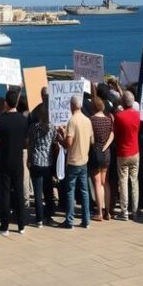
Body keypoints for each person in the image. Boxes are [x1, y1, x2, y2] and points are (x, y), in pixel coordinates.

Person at [0, 87, 29, 235]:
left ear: (6, 103)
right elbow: (26, 139)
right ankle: (21, 225)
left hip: (5, 159)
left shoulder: (1, 121)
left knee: (5, 192)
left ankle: (5, 226)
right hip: (18, 160)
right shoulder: (23, 120)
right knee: (19, 191)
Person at [57, 94, 94, 229]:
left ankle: (70, 220)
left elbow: (69, 143)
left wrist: (61, 138)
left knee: (70, 191)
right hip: (84, 159)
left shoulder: (72, 121)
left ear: (72, 106)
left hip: (73, 161)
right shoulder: (87, 120)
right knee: (84, 191)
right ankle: (86, 220)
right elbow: (91, 140)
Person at [27, 92, 57, 227]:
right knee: (48, 190)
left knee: (38, 192)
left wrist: (28, 158)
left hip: (36, 161)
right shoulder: (52, 128)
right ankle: (49, 215)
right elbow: (55, 142)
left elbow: (30, 144)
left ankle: (39, 219)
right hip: (48, 162)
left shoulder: (34, 128)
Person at [114, 91, 140, 221]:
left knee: (123, 181)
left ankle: (124, 211)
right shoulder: (138, 115)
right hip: (135, 151)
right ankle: (134, 210)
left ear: (123, 101)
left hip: (123, 152)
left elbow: (116, 133)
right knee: (134, 181)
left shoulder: (119, 116)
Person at [88, 96, 114, 222]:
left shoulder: (91, 119)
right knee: (106, 182)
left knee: (97, 183)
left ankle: (99, 212)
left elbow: (91, 138)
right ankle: (108, 211)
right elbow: (112, 134)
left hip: (95, 152)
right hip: (106, 153)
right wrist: (106, 146)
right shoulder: (109, 119)